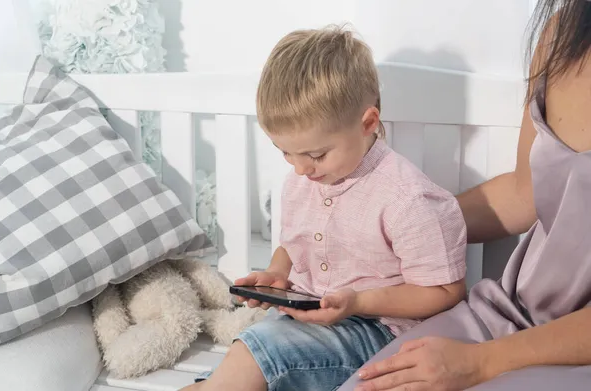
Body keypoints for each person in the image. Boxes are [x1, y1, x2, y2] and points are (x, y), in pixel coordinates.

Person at [181, 25, 469, 391]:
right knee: (245, 355)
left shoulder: (406, 199)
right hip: (308, 319)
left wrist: (358, 302)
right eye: (285, 152)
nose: (300, 168)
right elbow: (294, 243)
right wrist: (277, 274)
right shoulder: (303, 180)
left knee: (259, 354)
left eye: (315, 154)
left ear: (368, 123)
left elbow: (444, 293)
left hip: (381, 333)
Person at [338, 1, 591, 390]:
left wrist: (479, 363)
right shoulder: (564, 31)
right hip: (508, 315)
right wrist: (403, 229)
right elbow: (524, 193)